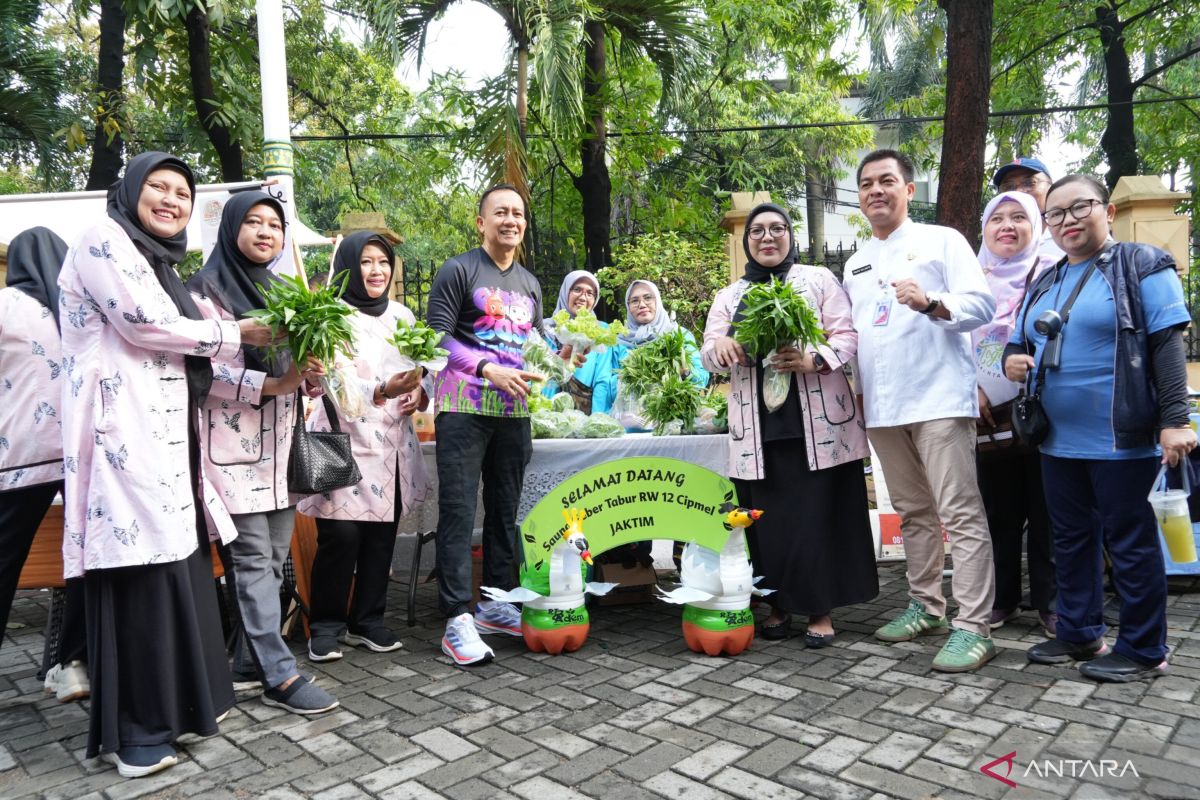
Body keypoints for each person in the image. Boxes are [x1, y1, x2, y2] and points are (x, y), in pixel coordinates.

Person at [58, 151, 276, 777]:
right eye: (158, 186)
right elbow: (146, 325)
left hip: (166, 446)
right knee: (138, 579)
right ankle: (135, 732)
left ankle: (178, 711)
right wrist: (239, 333)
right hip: (119, 443)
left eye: (183, 192)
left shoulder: (160, 266)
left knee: (176, 572)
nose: (172, 199)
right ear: (128, 191)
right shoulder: (104, 240)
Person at [1003, 174, 1194, 682]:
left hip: (1121, 438)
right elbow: (1015, 342)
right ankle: (1080, 631)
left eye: (1078, 207)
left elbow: (1167, 344)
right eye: (1056, 213)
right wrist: (1011, 362)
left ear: (1107, 212)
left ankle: (1144, 646)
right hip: (1056, 440)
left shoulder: (1142, 264)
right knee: (1069, 539)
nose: (1067, 220)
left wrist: (1176, 420)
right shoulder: (1045, 280)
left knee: (1129, 542)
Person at [842, 149, 998, 673]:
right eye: (866, 184)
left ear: (910, 189)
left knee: (960, 512)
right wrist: (861, 398)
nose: (876, 191)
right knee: (913, 512)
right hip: (883, 407)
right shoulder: (856, 261)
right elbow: (856, 338)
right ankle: (926, 607)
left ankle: (973, 625)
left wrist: (931, 301)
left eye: (887, 181)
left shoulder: (943, 240)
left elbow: (982, 304)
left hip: (938, 399)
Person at [188, 191, 337, 715]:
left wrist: (309, 379)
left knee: (273, 560)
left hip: (280, 452)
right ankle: (279, 675)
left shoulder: (288, 293)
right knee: (252, 559)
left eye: (274, 225)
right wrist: (275, 385)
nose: (265, 232)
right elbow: (200, 374)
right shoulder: (204, 295)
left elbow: (297, 371)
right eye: (253, 222)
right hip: (232, 451)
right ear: (231, 229)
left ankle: (249, 662)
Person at [701, 203, 877, 644]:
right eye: (757, 230)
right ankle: (778, 606)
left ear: (790, 236)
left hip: (818, 427)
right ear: (747, 243)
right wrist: (720, 346)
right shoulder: (730, 295)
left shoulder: (817, 280)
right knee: (771, 523)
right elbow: (708, 351)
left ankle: (819, 612)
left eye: (777, 228)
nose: (767, 237)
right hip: (759, 430)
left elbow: (847, 336)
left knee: (815, 520)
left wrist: (813, 358)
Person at [426, 184, 549, 666]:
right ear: (481, 222)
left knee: (504, 514)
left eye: (518, 213)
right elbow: (435, 338)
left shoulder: (531, 284)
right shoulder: (458, 270)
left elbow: (533, 344)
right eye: (500, 212)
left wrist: (561, 356)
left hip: (515, 414)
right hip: (462, 408)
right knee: (458, 512)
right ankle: (456, 619)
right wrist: (483, 368)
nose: (510, 220)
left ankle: (497, 603)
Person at [299, 232, 428, 662]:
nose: (377, 271)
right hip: (345, 437)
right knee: (340, 536)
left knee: (381, 534)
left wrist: (417, 394)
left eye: (383, 262)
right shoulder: (331, 315)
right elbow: (329, 381)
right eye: (367, 262)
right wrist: (382, 388)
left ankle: (368, 620)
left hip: (392, 442)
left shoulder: (403, 317)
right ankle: (326, 625)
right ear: (350, 266)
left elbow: (419, 370)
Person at [0, 227, 90, 702]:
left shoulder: (5, 305)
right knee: (81, 560)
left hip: (17, 459)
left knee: (5, 562)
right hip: (80, 458)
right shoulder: (76, 310)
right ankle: (71, 663)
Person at [972, 191, 1059, 636]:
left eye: (1018, 217)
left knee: (1048, 512)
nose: (1006, 226)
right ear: (985, 228)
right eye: (997, 218)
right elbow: (951, 340)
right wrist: (972, 390)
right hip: (988, 418)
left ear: (1037, 226)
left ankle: (1050, 603)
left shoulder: (1052, 272)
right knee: (998, 515)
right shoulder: (971, 278)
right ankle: (1003, 599)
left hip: (1047, 412)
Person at [612, 279, 709, 429]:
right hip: (630, 428)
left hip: (674, 426)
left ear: (657, 300)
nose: (642, 304)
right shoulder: (619, 343)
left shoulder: (679, 335)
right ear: (628, 307)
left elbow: (702, 379)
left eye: (648, 298)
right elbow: (608, 382)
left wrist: (685, 372)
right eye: (634, 301)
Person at [541, 270, 616, 414]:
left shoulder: (601, 332)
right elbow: (537, 375)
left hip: (584, 416)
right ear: (565, 292)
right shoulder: (546, 330)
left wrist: (597, 419)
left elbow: (602, 380)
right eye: (577, 290)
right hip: (548, 412)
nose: (583, 297)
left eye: (589, 293)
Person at [992, 156, 1065, 262]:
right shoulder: (994, 244)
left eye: (1030, 183)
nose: (1018, 192)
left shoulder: (1068, 236)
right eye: (1008, 187)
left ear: (1051, 188)